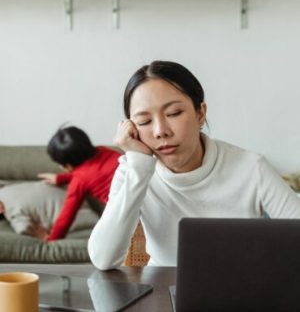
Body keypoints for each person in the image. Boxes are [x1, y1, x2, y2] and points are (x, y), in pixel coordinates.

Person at [88, 60, 300, 270]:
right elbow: (103, 259)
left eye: (173, 114)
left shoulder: (251, 168)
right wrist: (139, 166)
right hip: (163, 293)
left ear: (200, 113)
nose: (161, 131)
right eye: (144, 122)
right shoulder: (134, 170)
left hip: (240, 292)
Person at [38, 126, 121, 241]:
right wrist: (61, 178)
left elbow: (67, 215)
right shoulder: (103, 150)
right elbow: (95, 171)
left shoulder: (79, 181)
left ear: (68, 165)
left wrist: (53, 238)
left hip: (124, 213)